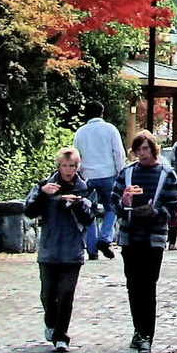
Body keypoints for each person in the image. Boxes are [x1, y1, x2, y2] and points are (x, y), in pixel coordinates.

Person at [23, 147, 94, 352]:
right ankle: (50, 321)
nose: (68, 170)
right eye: (64, 166)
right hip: (50, 248)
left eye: (72, 166)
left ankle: (61, 335)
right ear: (58, 166)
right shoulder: (45, 185)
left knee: (66, 293)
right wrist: (43, 195)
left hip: (72, 249)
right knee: (48, 293)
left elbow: (90, 217)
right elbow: (29, 211)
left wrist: (77, 205)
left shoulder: (84, 188)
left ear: (77, 167)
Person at [116, 132, 177, 353]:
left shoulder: (166, 174)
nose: (141, 154)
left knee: (148, 286)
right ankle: (138, 329)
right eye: (138, 150)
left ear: (154, 149)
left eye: (145, 149)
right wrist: (123, 203)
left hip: (153, 239)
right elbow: (114, 203)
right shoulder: (127, 174)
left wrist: (155, 212)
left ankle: (146, 337)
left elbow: (174, 207)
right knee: (134, 286)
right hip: (130, 237)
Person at [72, 103, 127, 260]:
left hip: (88, 176)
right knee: (112, 208)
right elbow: (118, 152)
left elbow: (77, 155)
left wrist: (80, 174)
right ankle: (104, 238)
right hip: (108, 173)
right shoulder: (110, 129)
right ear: (102, 113)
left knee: (89, 211)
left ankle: (91, 250)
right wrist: (120, 171)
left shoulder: (80, 132)